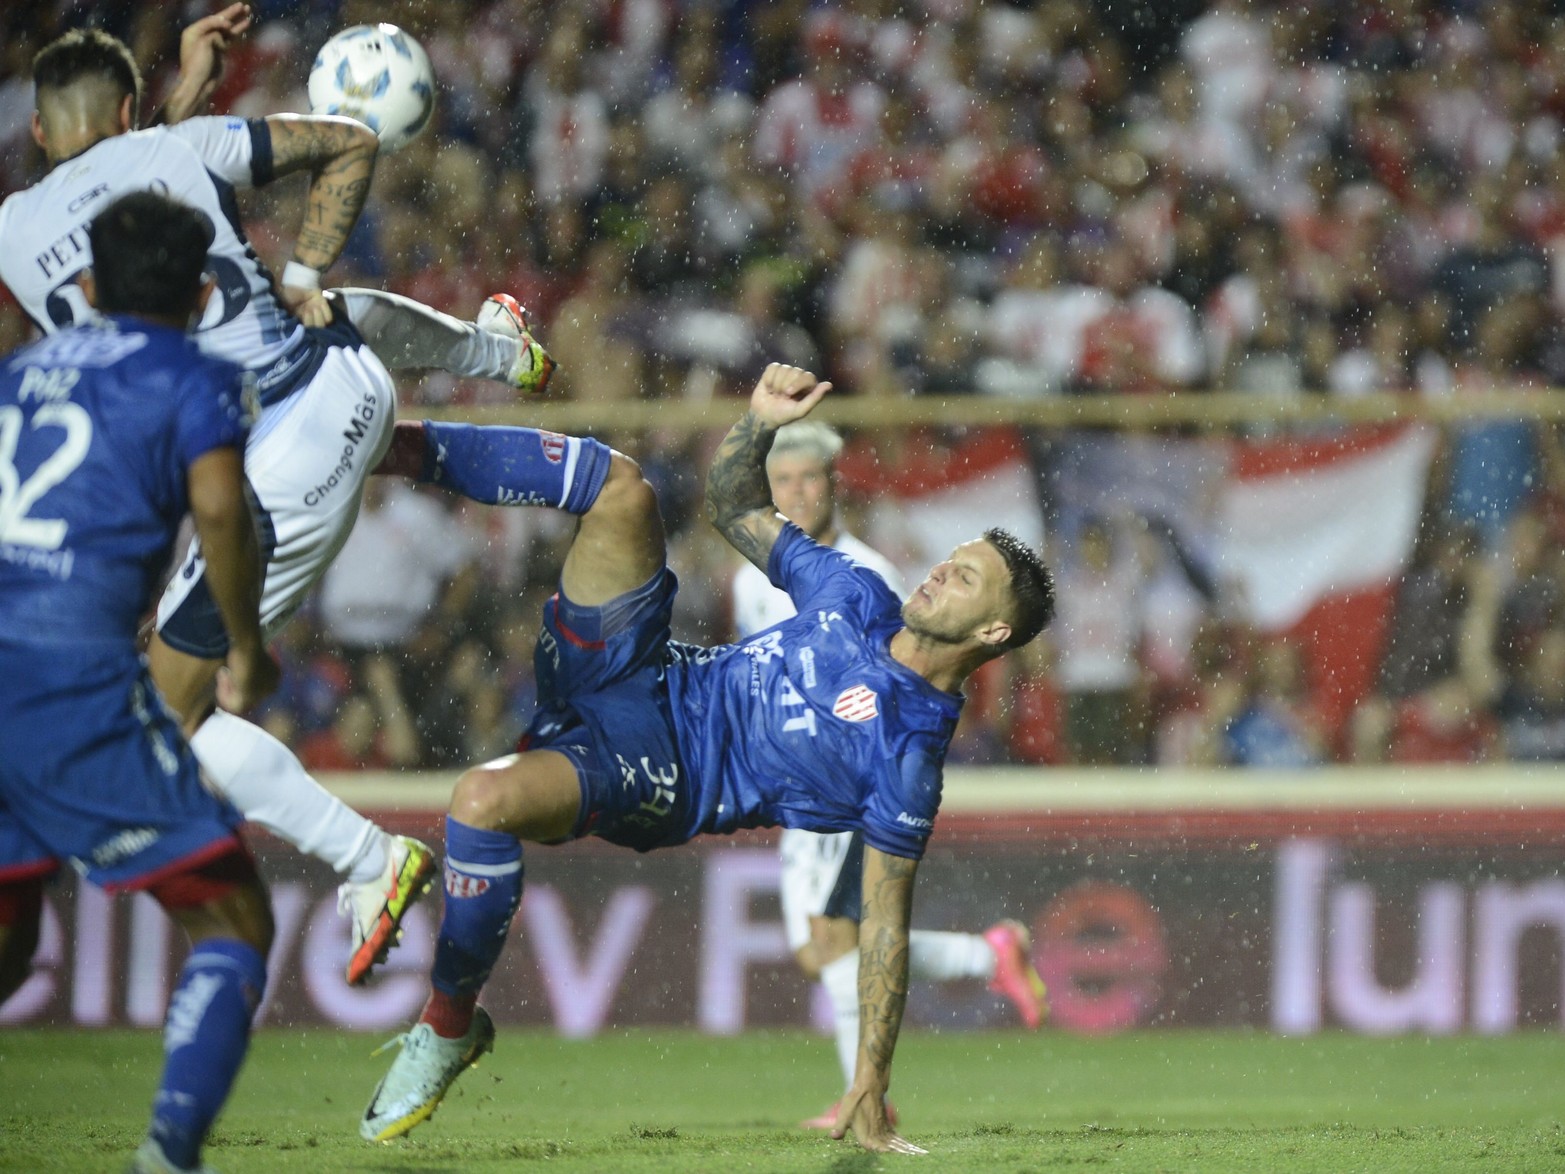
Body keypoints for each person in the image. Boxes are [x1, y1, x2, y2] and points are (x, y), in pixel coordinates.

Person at [359, 364, 1055, 1154]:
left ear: (991, 632)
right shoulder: (856, 592)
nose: (938, 571)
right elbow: (733, 506)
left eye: (963, 578)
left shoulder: (906, 755)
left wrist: (870, 1082)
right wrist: (757, 422)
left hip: (668, 772)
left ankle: (447, 1027)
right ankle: (382, 446)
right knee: (621, 487)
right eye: (949, 559)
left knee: (478, 804)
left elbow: (884, 928)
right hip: (645, 669)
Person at [0, 22, 557, 985]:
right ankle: (495, 350)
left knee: (160, 725)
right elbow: (349, 141)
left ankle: (368, 858)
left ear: (40, 134)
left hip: (283, 458)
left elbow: (112, 193)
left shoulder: (13, 227)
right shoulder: (179, 145)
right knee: (322, 306)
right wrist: (298, 269)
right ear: (131, 112)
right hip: (339, 389)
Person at [0, 190, 277, 1174]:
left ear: (84, 287)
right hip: (69, 673)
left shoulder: (20, 369)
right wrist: (242, 647)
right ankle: (168, 1155)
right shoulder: (197, 376)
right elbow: (219, 509)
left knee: (6, 939)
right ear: (205, 294)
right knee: (233, 916)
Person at [730, 419, 1047, 1129]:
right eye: (782, 482)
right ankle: (984, 955)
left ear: (835, 484)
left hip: (845, 776)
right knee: (821, 950)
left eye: (810, 478)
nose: (798, 492)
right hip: (786, 778)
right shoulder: (754, 574)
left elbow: (907, 678)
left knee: (837, 938)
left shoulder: (869, 574)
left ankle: (865, 1095)